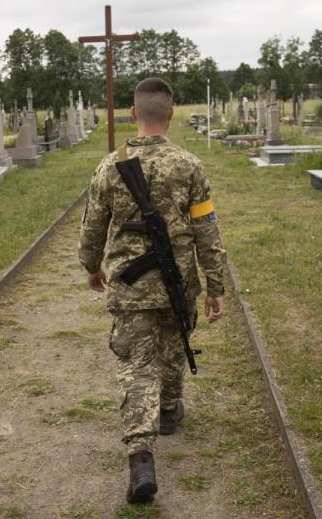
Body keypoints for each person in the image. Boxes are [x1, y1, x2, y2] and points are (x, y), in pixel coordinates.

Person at [78, 77, 227, 504]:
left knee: (137, 364)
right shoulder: (190, 166)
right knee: (173, 342)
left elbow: (92, 226)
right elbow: (206, 232)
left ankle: (141, 455)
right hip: (178, 281)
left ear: (132, 114)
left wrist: (91, 267)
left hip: (130, 286)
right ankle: (167, 409)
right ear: (171, 114)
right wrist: (215, 286)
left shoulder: (110, 167)